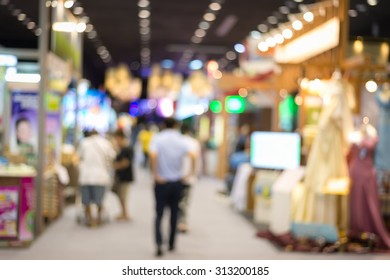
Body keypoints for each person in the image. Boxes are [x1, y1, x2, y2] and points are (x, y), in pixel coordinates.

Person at [149, 118, 196, 257]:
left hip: (161, 182)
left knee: (159, 214)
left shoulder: (158, 139)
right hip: (177, 182)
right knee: (174, 213)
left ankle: (158, 243)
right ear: (176, 126)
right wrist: (190, 174)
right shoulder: (182, 140)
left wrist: (155, 174)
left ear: (163, 125)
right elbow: (193, 156)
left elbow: (152, 155)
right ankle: (171, 243)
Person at [348, 119, 390, 249]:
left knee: (370, 204)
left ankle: (369, 231)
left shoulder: (372, 134)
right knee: (356, 203)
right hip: (355, 172)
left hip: (368, 173)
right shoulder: (354, 135)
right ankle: (356, 232)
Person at [77, 129, 116, 227]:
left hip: (86, 175)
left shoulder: (84, 142)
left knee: (86, 200)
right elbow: (112, 156)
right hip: (100, 176)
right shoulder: (106, 143)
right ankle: (98, 219)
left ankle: (90, 219)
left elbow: (78, 157)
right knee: (99, 200)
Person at [177, 124, 201, 233]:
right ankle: (182, 222)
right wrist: (193, 173)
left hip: (175, 176)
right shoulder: (194, 142)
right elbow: (197, 159)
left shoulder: (177, 141)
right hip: (188, 176)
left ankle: (177, 221)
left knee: (176, 200)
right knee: (184, 201)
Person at [113, 129, 134, 221]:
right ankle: (123, 212)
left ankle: (125, 213)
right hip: (120, 176)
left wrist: (115, 166)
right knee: (120, 195)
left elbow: (125, 163)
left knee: (123, 196)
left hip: (125, 176)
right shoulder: (120, 149)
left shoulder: (127, 149)